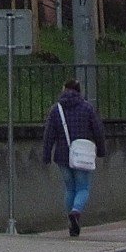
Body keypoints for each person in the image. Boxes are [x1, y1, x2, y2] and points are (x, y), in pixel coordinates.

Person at [41, 76, 107, 236]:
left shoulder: (56, 110)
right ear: (79, 91)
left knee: (69, 188)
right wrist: (101, 149)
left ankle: (71, 221)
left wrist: (46, 155)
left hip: (62, 155)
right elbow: (98, 130)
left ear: (64, 90)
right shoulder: (87, 108)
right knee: (83, 187)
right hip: (82, 155)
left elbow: (49, 134)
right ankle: (76, 212)